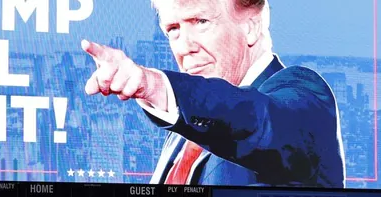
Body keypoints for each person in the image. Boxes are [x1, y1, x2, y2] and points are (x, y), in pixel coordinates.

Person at [80, 0, 346, 187]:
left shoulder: (303, 95)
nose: (184, 47)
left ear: (252, 26)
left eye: (201, 21)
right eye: (173, 29)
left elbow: (255, 119)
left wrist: (155, 86)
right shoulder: (184, 129)